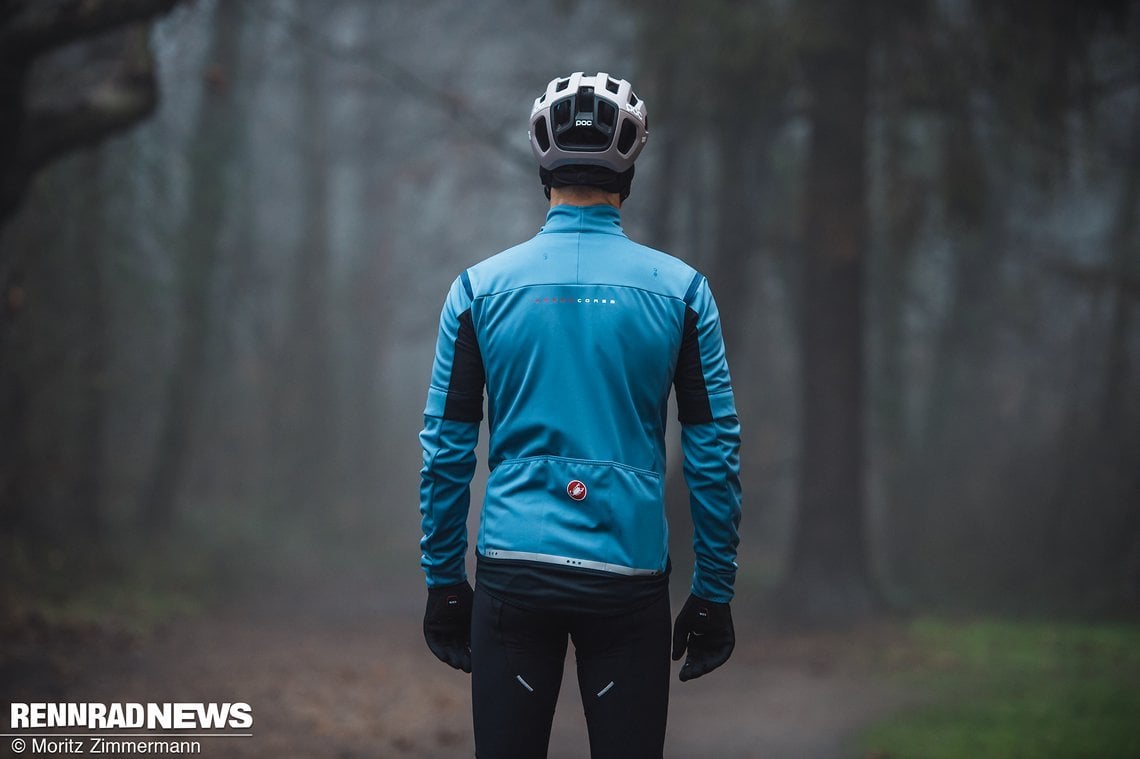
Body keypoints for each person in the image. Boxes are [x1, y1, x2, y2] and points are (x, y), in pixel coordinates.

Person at [418, 71, 742, 758]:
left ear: (544, 159)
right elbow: (713, 453)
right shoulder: (684, 294)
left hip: (514, 567)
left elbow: (447, 448)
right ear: (631, 164)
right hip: (627, 574)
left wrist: (446, 579)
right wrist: (713, 588)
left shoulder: (477, 290)